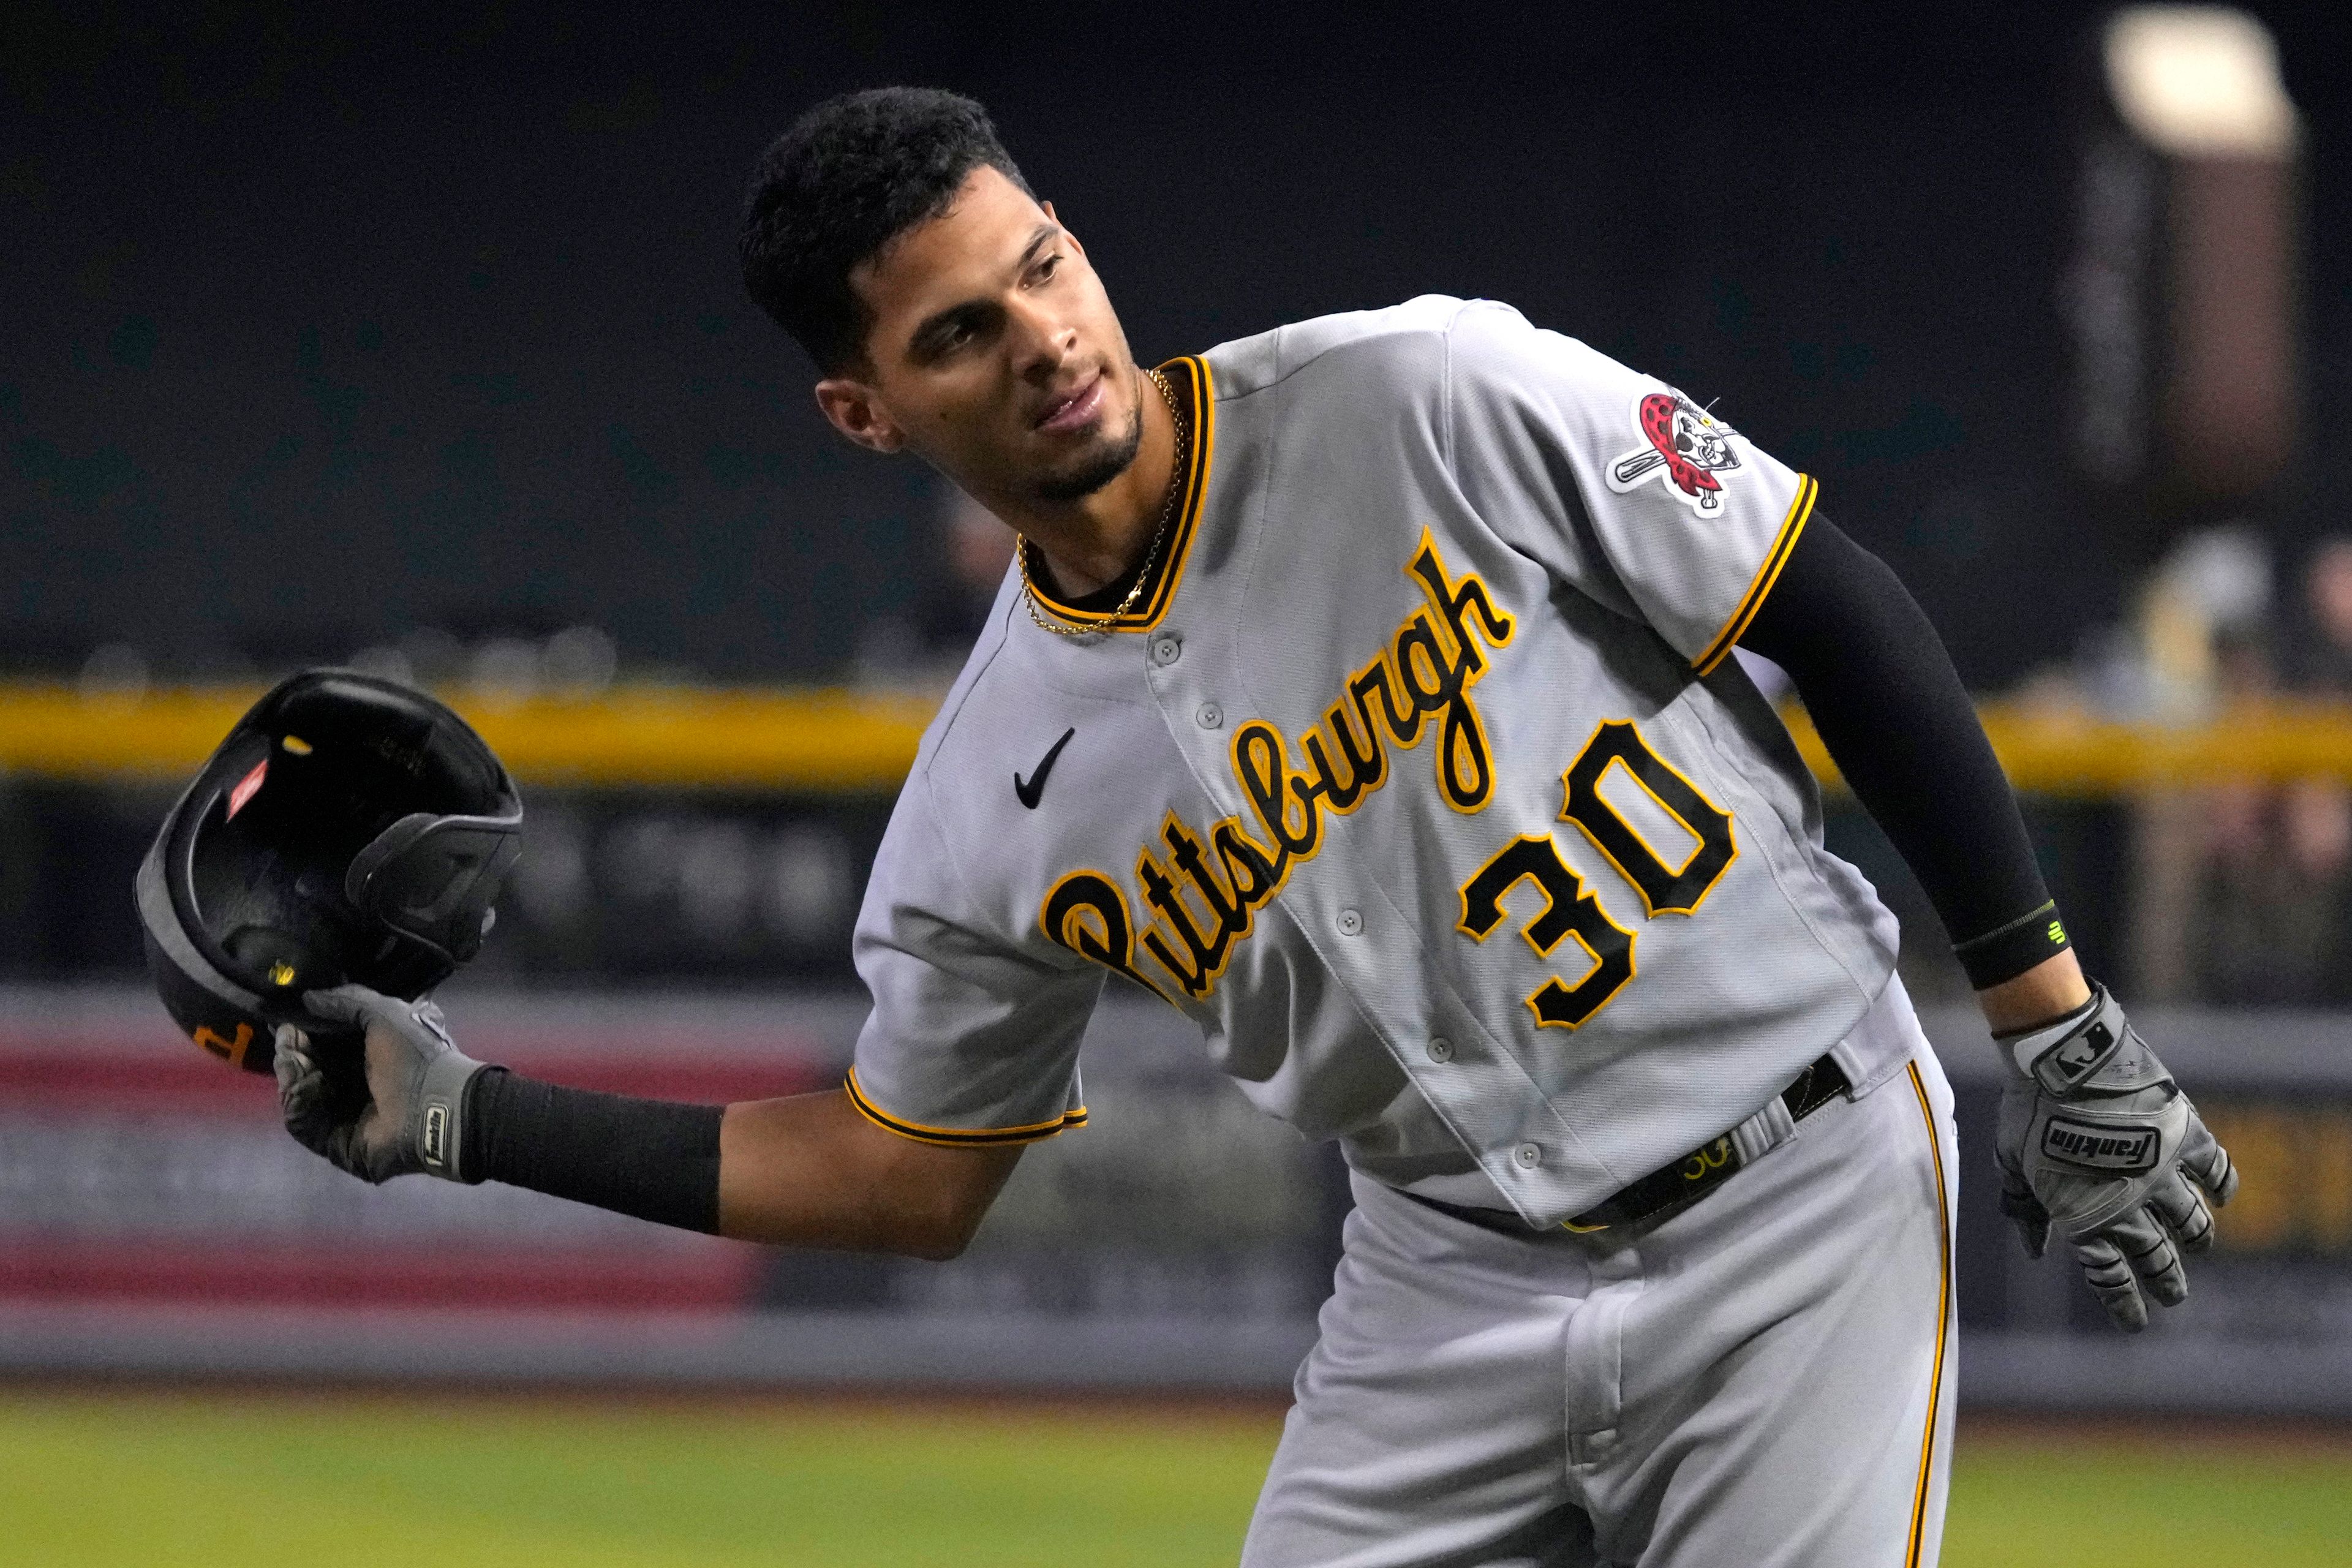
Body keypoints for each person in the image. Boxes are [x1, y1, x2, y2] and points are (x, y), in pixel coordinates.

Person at [276, 89, 2238, 1567]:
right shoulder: (985, 807)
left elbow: (1827, 603)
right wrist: (469, 1120)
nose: (1042, 338)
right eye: (956, 333)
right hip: (1446, 1283)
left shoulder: (1424, 394)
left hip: (1796, 1193)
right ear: (865, 413)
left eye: (1041, 265)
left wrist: (2054, 1022)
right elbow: (898, 1175)